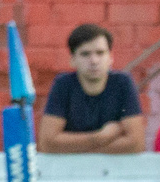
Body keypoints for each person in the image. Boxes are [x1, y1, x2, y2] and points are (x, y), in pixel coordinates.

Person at [37, 23, 146, 156]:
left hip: (114, 172)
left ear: (111, 57)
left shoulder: (122, 83)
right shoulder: (63, 84)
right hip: (71, 172)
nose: (94, 61)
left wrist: (74, 147)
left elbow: (136, 144)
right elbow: (47, 143)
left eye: (100, 53)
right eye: (85, 54)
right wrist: (101, 137)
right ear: (72, 60)